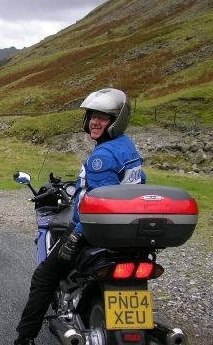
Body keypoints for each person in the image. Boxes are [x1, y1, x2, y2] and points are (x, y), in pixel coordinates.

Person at [14, 88, 146, 345]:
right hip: (128, 230)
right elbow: (140, 181)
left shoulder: (103, 156)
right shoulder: (127, 147)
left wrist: (77, 234)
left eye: (103, 117)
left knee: (45, 276)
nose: (95, 122)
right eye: (92, 116)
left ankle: (24, 338)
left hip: (99, 232)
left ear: (115, 121)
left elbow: (98, 203)